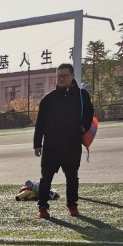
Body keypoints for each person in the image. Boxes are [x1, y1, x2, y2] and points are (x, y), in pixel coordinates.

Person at [34, 63, 94, 219]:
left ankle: (72, 206)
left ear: (72, 76)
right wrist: (37, 144)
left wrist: (82, 129)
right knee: (46, 178)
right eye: (58, 76)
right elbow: (40, 122)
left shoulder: (82, 95)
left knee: (72, 177)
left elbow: (89, 114)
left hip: (72, 143)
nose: (61, 78)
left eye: (65, 75)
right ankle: (42, 207)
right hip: (51, 145)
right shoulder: (48, 99)